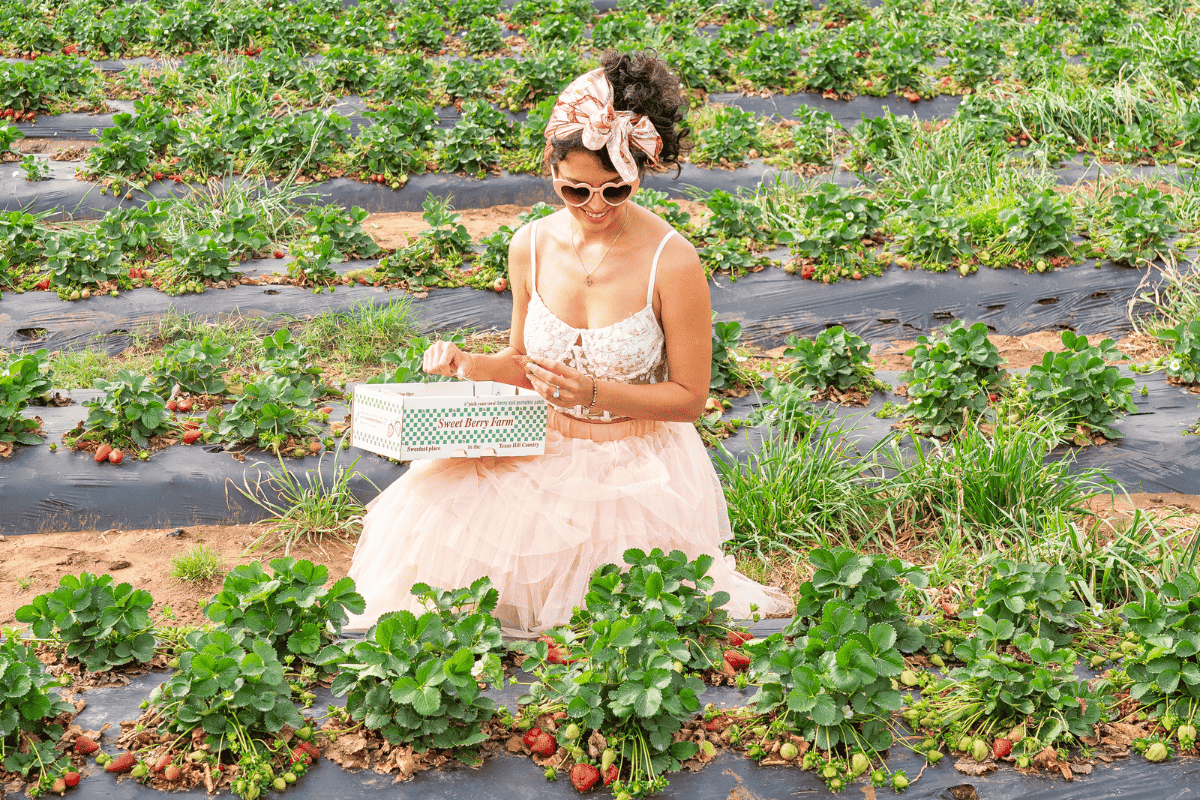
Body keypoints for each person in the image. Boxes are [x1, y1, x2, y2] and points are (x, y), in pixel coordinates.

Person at [345, 50, 789, 635]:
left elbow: (688, 399)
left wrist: (596, 391)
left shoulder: (671, 260)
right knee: (432, 551)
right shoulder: (529, 245)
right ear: (552, 173)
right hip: (537, 445)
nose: (596, 207)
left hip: (634, 468)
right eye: (577, 192)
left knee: (616, 620)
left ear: (637, 177)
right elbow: (525, 365)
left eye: (615, 191)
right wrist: (467, 362)